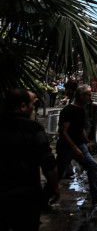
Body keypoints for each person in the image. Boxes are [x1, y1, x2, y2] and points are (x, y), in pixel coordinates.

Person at [0, 88, 60, 231]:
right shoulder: (33, 129)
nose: (34, 108)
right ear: (22, 106)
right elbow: (48, 162)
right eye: (32, 104)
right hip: (26, 196)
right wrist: (55, 186)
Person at [55, 84, 97, 208]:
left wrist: (87, 141)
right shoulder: (68, 111)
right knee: (57, 173)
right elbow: (63, 132)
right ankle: (44, 198)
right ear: (81, 96)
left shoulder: (81, 109)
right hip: (67, 147)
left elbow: (80, 128)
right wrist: (75, 149)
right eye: (88, 95)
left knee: (93, 165)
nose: (90, 97)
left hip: (79, 144)